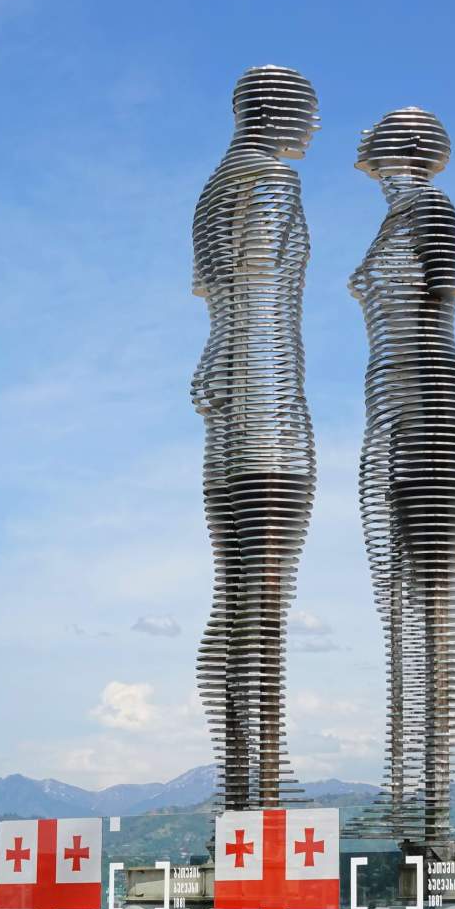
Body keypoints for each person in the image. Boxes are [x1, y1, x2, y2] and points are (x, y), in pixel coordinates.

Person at [350, 108, 455, 842]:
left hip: (433, 407)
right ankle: (404, 796)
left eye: (372, 132)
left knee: (432, 604)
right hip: (401, 414)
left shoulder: (432, 209)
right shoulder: (398, 217)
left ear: (405, 146)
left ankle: (433, 807)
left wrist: (426, 413)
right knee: (401, 610)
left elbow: (437, 315)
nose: (356, 142)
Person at [191, 66, 319, 809]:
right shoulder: (272, 179)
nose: (315, 127)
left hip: (225, 430)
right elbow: (268, 304)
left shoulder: (212, 189)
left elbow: (220, 310)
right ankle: (263, 785)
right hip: (271, 427)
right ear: (277, 111)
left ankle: (241, 783)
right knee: (264, 606)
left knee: (232, 601)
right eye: (308, 110)